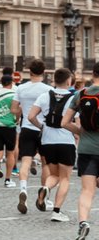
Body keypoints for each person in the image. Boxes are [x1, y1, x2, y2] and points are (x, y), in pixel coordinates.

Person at [29, 67, 77, 224]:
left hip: (47, 142)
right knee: (65, 178)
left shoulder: (44, 96)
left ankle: (45, 188)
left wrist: (41, 127)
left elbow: (31, 116)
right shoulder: (73, 98)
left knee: (54, 175)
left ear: (54, 80)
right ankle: (56, 211)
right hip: (66, 141)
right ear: (69, 81)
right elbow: (77, 123)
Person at [63, 63, 99, 240]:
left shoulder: (81, 94)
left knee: (87, 190)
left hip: (86, 149)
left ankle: (83, 222)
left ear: (93, 74)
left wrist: (81, 133)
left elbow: (64, 122)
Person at [14, 58, 50, 214]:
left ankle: (23, 189)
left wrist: (22, 111)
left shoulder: (21, 88)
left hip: (26, 128)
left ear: (29, 72)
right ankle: (43, 197)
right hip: (43, 129)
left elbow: (14, 109)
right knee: (46, 164)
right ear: (43, 72)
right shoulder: (48, 89)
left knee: (25, 162)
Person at [0, 69, 18, 186]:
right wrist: (17, 119)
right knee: (10, 153)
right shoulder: (14, 94)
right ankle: (7, 179)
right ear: (11, 83)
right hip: (9, 126)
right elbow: (17, 109)